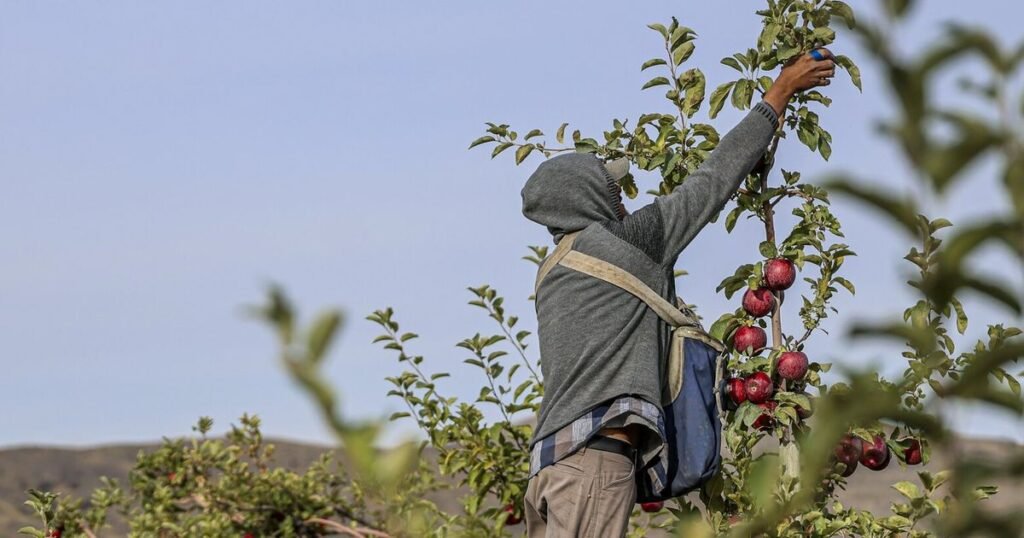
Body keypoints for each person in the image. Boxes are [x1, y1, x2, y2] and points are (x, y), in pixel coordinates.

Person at [520, 48, 837, 537]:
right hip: (593, 466)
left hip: (549, 469)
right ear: (587, 199)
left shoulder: (553, 273)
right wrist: (780, 91)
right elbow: (709, 183)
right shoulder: (626, 244)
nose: (625, 199)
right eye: (614, 190)